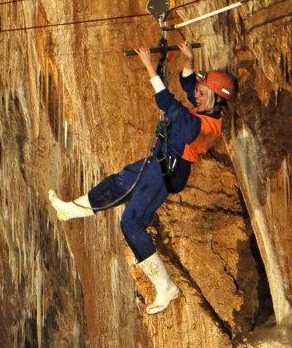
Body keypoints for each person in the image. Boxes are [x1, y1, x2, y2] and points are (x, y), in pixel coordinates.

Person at [48, 40, 235, 314]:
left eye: (203, 93)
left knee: (131, 223)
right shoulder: (208, 108)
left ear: (217, 98)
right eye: (199, 91)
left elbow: (168, 103)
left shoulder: (197, 125)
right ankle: (72, 210)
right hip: (158, 162)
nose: (197, 96)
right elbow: (187, 87)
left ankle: (165, 287)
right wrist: (189, 61)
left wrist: (150, 67)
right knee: (119, 182)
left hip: (166, 170)